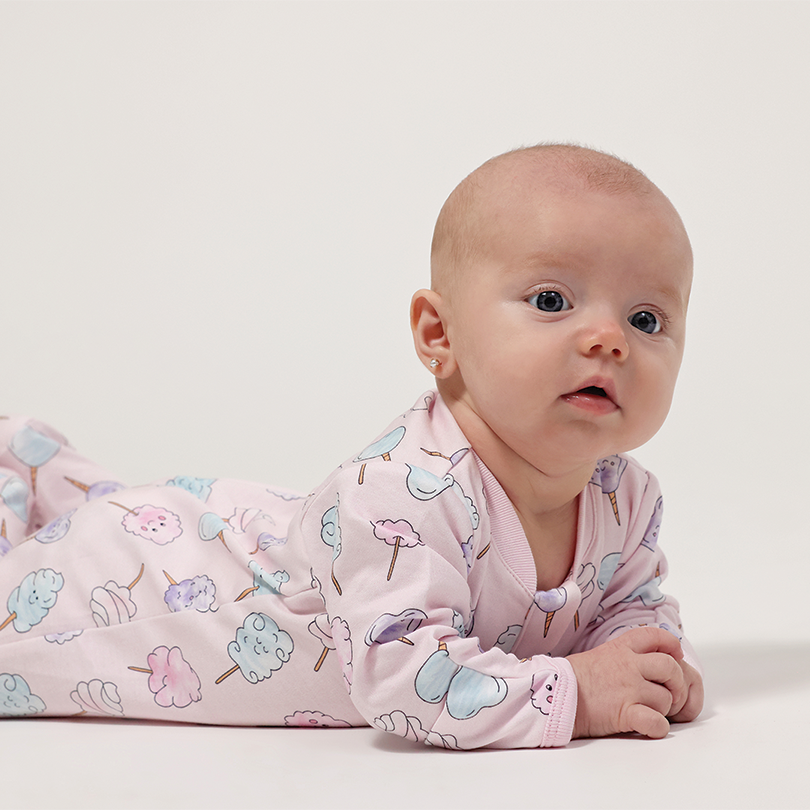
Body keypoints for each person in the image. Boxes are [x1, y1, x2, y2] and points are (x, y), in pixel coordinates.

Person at [0, 144, 703, 748]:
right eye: (552, 301)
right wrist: (580, 693)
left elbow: (628, 610)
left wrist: (654, 666)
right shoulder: (399, 493)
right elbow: (404, 682)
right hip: (139, 584)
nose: (609, 339)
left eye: (646, 319)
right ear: (440, 335)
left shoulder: (625, 497)